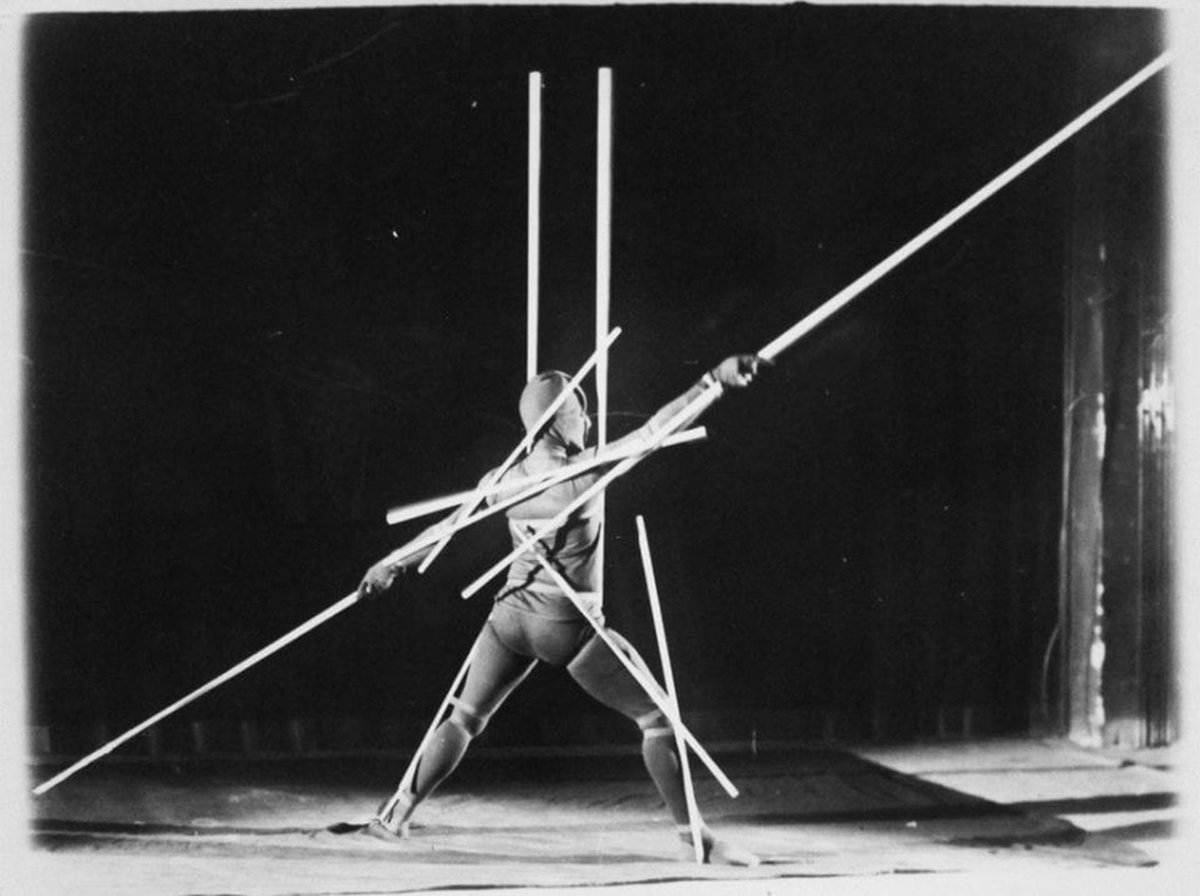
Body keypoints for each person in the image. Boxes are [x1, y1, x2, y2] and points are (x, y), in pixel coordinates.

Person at [357, 354, 763, 865]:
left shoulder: (502, 479)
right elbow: (657, 431)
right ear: (556, 422)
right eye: (579, 414)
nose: (588, 423)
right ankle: (694, 840)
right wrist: (712, 382)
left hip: (509, 620)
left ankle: (396, 815)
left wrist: (390, 564)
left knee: (463, 718)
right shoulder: (583, 472)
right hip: (566, 624)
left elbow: (445, 530)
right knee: (658, 719)